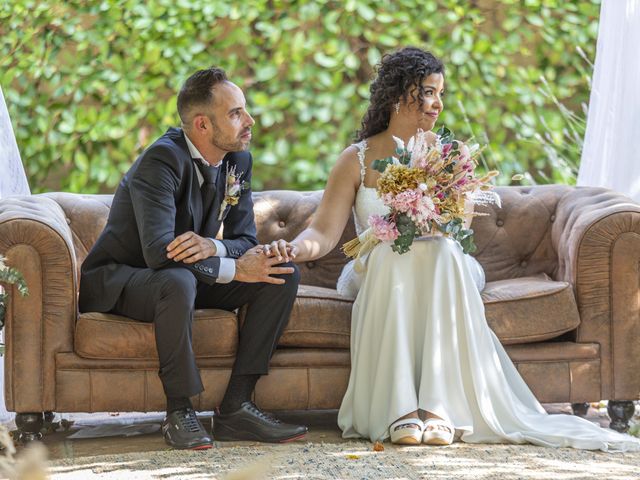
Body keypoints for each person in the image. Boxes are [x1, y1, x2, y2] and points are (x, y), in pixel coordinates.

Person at [264, 47, 640, 451]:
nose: (438, 104)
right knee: (394, 254)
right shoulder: (355, 160)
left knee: (438, 253)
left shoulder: (451, 154)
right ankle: (400, 409)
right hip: (378, 266)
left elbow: (456, 229)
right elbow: (322, 232)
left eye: (441, 93)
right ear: (398, 94)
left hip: (446, 261)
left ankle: (438, 407)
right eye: (428, 92)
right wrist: (292, 249)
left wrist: (428, 216)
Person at [78, 67, 307, 449]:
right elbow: (158, 252)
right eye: (236, 113)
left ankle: (237, 407)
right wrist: (235, 267)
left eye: (245, 110)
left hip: (182, 276)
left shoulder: (238, 161)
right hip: (124, 278)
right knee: (177, 279)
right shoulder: (160, 161)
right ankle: (179, 411)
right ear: (202, 124)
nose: (249, 121)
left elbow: (245, 238)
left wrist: (214, 246)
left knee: (280, 272)